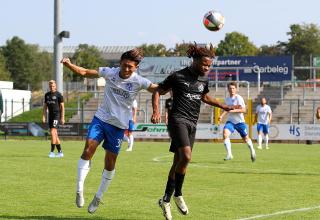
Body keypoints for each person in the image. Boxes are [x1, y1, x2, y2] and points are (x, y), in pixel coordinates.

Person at [61, 48, 158, 214]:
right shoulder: (109, 72)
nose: (127, 69)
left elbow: (157, 89)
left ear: (136, 68)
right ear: (120, 63)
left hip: (118, 126)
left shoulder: (139, 81)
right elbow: (84, 72)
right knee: (88, 150)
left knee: (110, 163)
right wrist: (69, 64)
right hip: (101, 119)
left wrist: (156, 110)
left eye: (131, 67)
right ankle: (79, 189)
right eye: (125, 65)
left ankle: (98, 196)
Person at [151, 44, 236, 220]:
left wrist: (222, 105)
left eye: (209, 66)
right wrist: (156, 111)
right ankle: (178, 194)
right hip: (177, 120)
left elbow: (204, 97)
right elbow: (158, 91)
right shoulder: (178, 76)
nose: (207, 68)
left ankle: (165, 199)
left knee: (178, 161)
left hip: (192, 123)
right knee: (187, 157)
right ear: (195, 60)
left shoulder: (203, 80)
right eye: (204, 64)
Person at [218, 82, 256, 162]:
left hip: (240, 122)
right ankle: (229, 154)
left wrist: (233, 110)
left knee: (246, 139)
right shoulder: (227, 99)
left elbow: (244, 110)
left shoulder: (239, 98)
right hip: (230, 122)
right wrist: (221, 116)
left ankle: (252, 150)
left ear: (236, 89)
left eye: (233, 88)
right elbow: (226, 109)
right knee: (225, 134)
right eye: (230, 88)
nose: (232, 90)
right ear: (228, 89)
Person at [42, 80, 65, 158]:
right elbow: (45, 107)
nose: (52, 87)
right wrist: (44, 116)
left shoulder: (59, 95)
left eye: (53, 86)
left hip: (56, 115)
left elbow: (62, 107)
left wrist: (62, 117)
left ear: (56, 86)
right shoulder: (47, 95)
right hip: (50, 116)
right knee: (55, 134)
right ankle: (60, 152)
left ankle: (52, 152)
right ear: (49, 86)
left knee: (52, 132)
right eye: (50, 86)